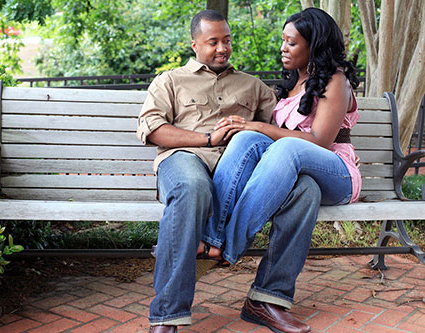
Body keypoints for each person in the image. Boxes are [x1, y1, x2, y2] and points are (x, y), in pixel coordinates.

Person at [137, 9, 321, 333]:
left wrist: (340, 143)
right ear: (194, 44)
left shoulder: (253, 87)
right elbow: (152, 129)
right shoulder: (170, 80)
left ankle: (267, 299)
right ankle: (167, 316)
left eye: (227, 41)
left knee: (306, 190)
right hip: (185, 159)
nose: (222, 48)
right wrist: (207, 138)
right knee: (192, 189)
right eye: (213, 42)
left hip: (240, 171)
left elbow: (284, 126)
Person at [199, 7, 361, 333]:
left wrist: (260, 125)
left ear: (314, 47)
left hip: (337, 172)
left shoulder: (336, 81)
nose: (283, 48)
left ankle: (228, 245)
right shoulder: (290, 85)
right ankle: (261, 295)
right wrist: (245, 126)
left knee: (281, 143)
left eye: (292, 43)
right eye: (283, 41)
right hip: (306, 178)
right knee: (268, 157)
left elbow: (317, 141)